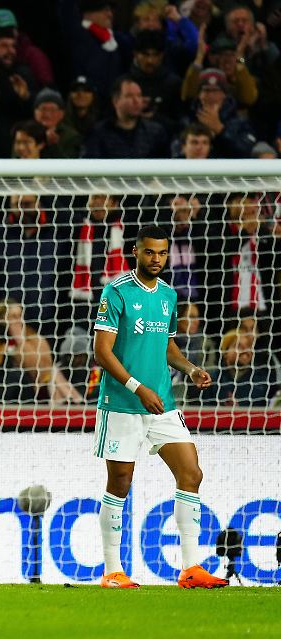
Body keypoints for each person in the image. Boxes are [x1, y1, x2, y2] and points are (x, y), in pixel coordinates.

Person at [91, 225, 228, 589]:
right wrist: (138, 388)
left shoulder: (169, 295)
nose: (157, 259)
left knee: (191, 473)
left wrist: (190, 368)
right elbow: (101, 352)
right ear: (135, 252)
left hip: (162, 405)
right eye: (150, 252)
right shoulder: (116, 292)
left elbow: (168, 348)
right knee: (120, 482)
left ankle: (191, 568)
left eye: (162, 253)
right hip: (122, 403)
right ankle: (112, 571)